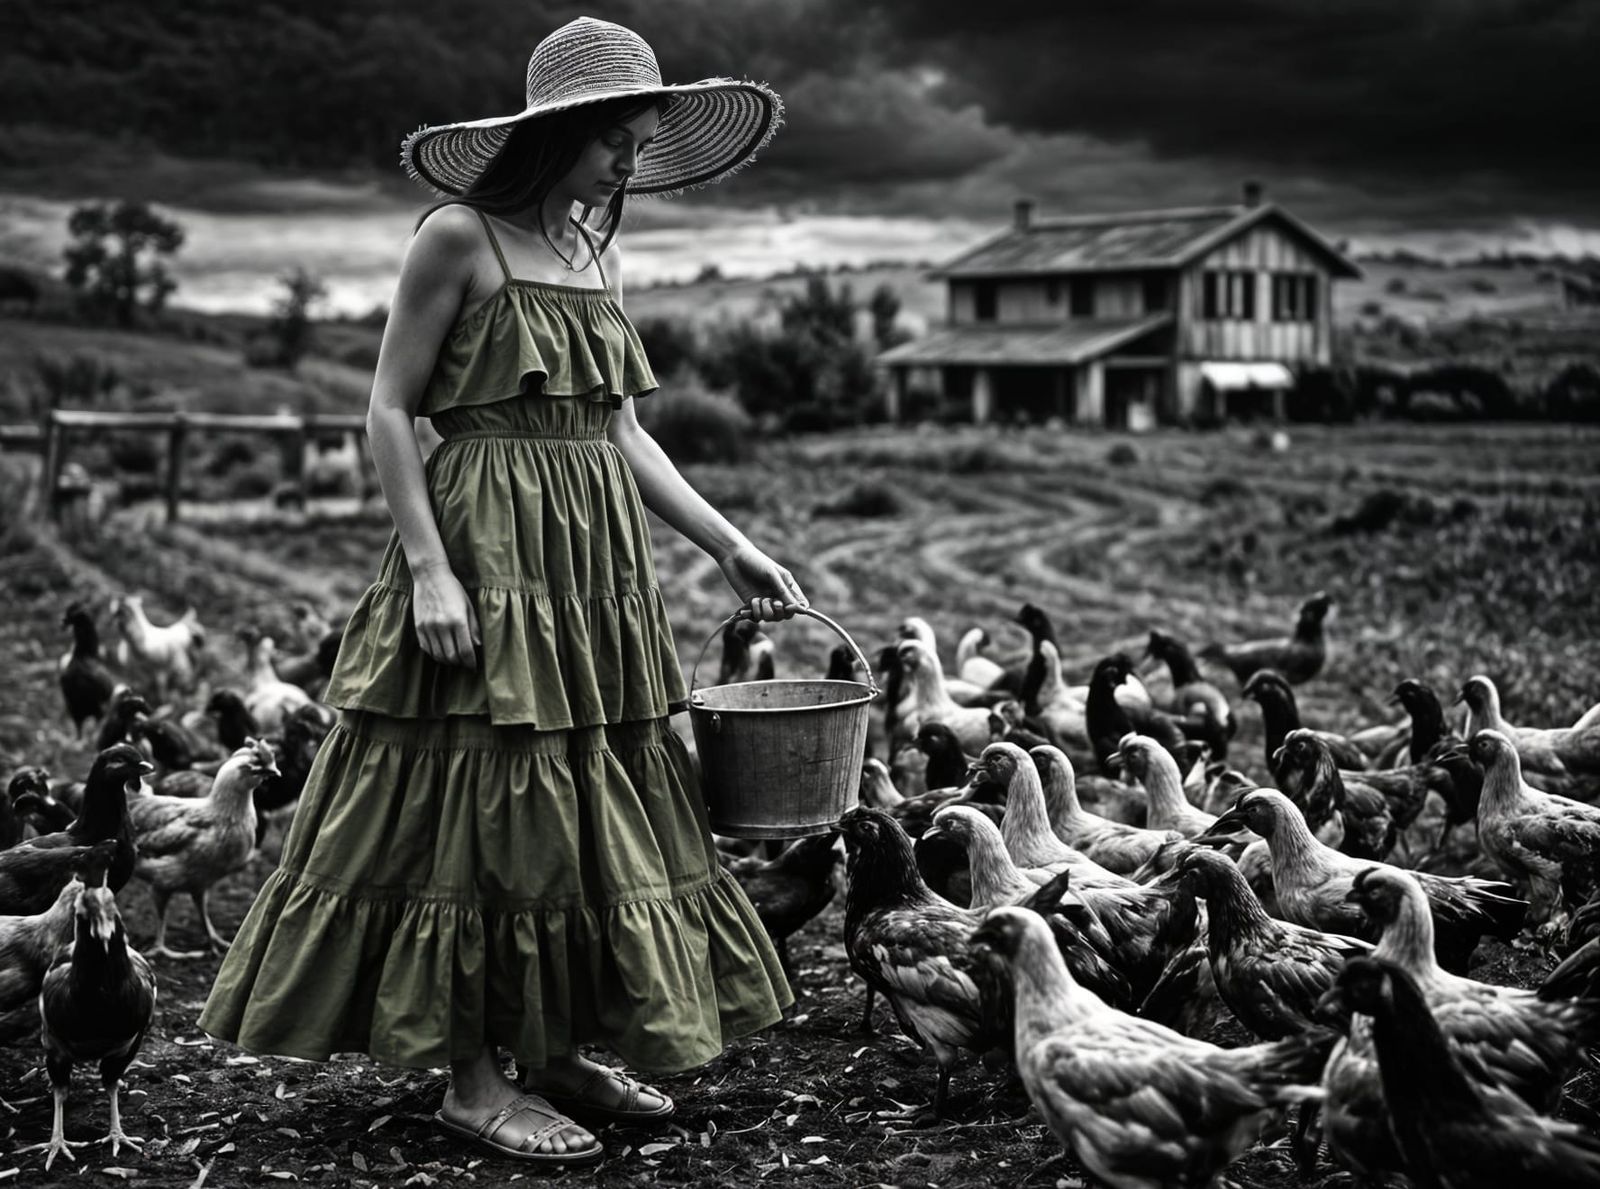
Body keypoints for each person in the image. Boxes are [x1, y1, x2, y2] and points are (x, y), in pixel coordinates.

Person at [199, 16, 802, 1168]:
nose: (633, 163)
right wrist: (430, 568)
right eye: (619, 141)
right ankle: (473, 1080)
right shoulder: (458, 236)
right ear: (563, 133)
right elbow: (386, 411)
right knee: (480, 799)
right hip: (485, 552)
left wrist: (730, 545)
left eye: (641, 140)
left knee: (580, 802)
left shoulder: (593, 252)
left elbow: (620, 431)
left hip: (591, 572)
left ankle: (562, 1047)